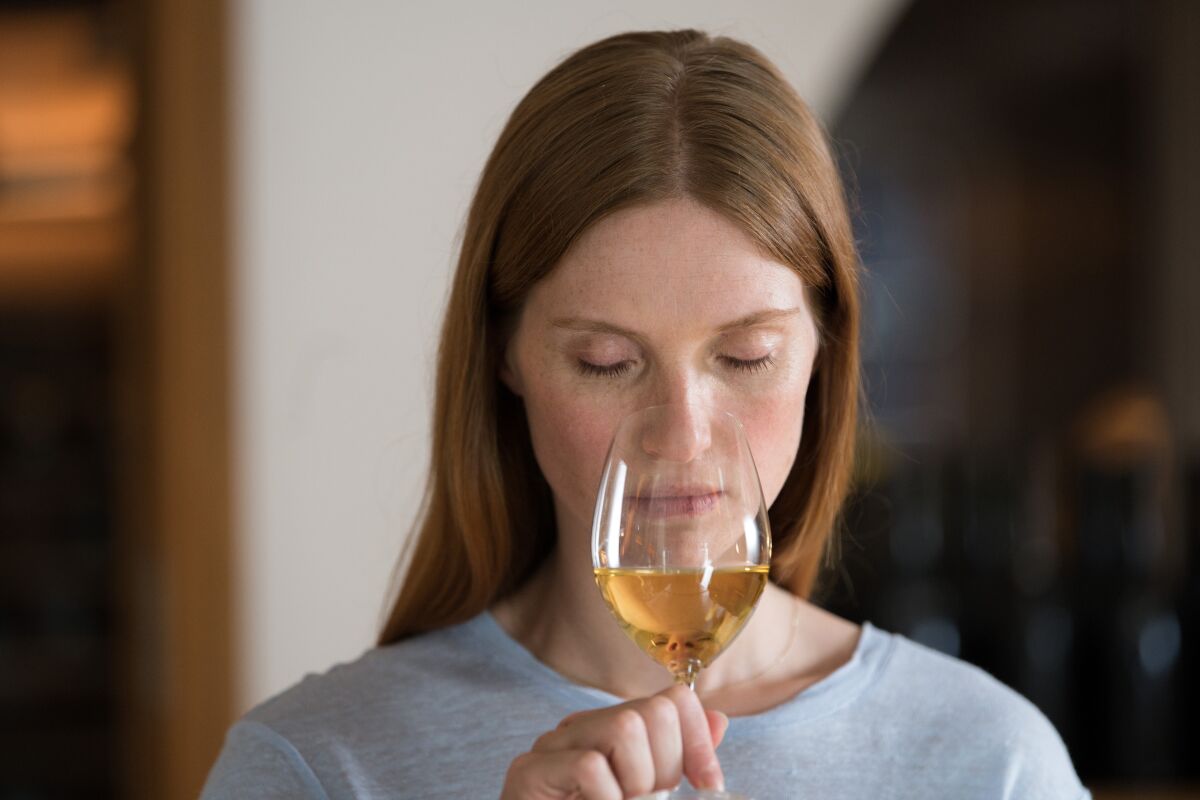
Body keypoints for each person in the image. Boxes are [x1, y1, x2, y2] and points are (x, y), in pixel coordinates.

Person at [202, 29, 1090, 799]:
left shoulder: (988, 762)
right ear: (505, 356)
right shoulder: (316, 767)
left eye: (747, 357)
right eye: (607, 362)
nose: (682, 435)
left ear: (824, 350)